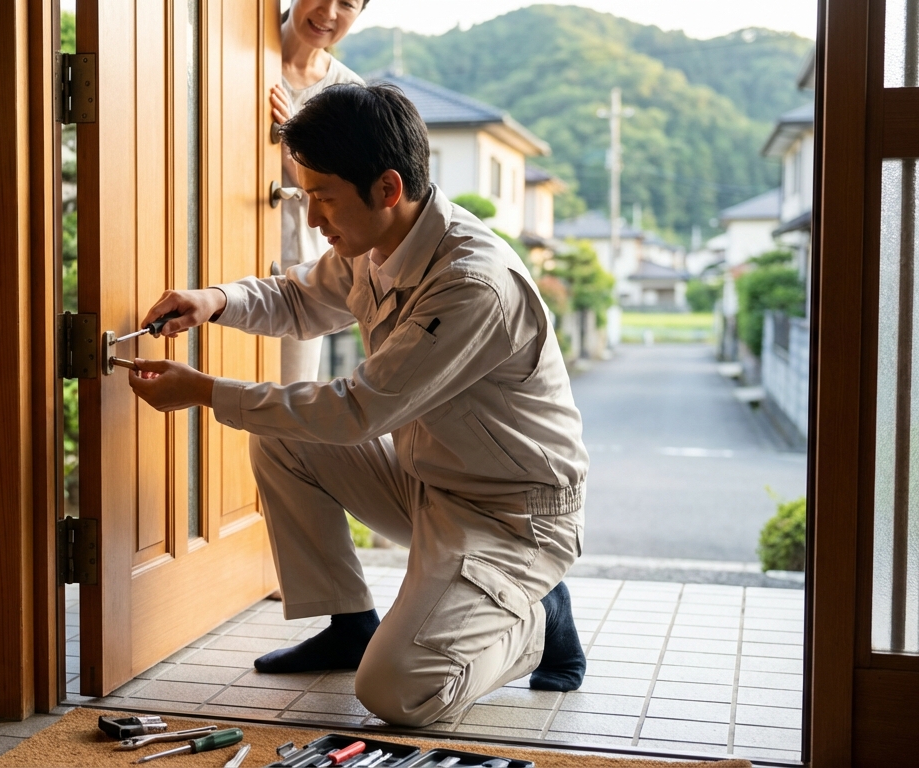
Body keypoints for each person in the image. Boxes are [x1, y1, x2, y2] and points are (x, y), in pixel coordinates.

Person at [125, 84, 588, 728]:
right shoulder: (378, 248)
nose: (313, 218)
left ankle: (534, 615)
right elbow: (298, 301)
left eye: (323, 197)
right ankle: (351, 624)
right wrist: (213, 300)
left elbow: (357, 411)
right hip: (427, 481)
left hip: (507, 513)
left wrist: (204, 392)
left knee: (400, 693)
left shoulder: (470, 284)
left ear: (388, 188)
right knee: (282, 436)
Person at [270, 0, 366, 384]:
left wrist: (290, 141)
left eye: (346, 3)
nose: (328, 12)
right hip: (221, 248)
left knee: (288, 401)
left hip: (303, 270)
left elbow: (347, 194)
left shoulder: (350, 93)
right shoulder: (233, 57)